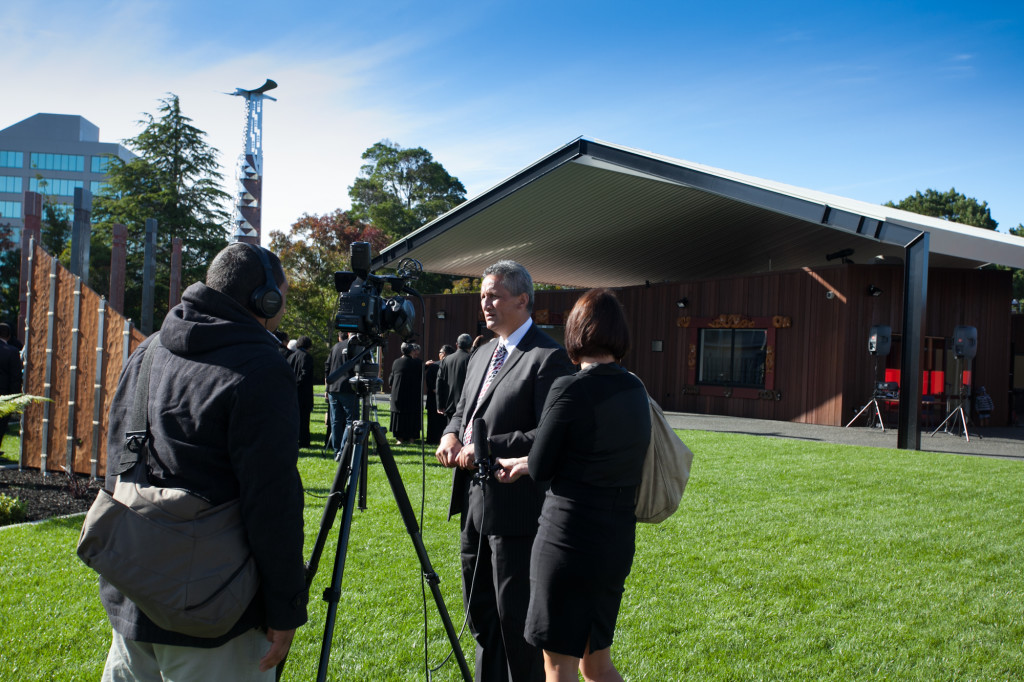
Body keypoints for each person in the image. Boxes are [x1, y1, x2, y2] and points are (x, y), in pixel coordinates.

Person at [98, 243, 308, 680]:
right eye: (282, 296)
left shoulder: (150, 348)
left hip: (135, 590)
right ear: (265, 299)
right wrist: (285, 607)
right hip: (217, 615)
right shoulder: (262, 368)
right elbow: (272, 502)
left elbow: (118, 455)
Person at [494, 288, 650, 682]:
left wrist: (523, 464)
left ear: (576, 331)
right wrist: (527, 462)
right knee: (596, 664)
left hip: (568, 538)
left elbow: (544, 464)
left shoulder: (570, 387)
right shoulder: (635, 389)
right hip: (615, 538)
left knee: (557, 666)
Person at [435, 260, 573, 682]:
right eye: (482, 295)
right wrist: (451, 434)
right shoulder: (481, 353)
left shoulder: (548, 358)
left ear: (522, 299)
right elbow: (462, 410)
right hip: (474, 502)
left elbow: (548, 435)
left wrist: (486, 448)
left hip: (516, 507)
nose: (486, 303)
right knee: (480, 615)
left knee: (514, 619)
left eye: (494, 295)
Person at [325, 332, 362, 452]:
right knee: (351, 420)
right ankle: (344, 449)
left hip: (333, 387)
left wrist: (327, 388)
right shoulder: (356, 347)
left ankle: (337, 450)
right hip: (348, 388)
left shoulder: (336, 347)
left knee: (335, 421)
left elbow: (327, 367)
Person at [389, 342, 423, 444]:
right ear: (412, 351)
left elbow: (392, 377)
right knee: (412, 416)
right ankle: (412, 438)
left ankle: (400, 438)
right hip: (412, 395)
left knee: (400, 417)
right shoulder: (417, 363)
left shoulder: (396, 362)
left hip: (398, 394)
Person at [436, 333, 472, 425]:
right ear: (470, 345)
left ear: (457, 344)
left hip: (450, 403)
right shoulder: (471, 359)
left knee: (451, 430)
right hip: (467, 402)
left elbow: (439, 381)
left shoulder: (446, 360)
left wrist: (440, 404)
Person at [287, 336, 315, 448]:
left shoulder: (291, 357)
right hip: (304, 393)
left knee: (294, 418)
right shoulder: (306, 357)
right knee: (304, 419)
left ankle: (293, 439)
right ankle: (304, 440)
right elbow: (304, 374)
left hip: (293, 392)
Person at [0, 322, 23, 449]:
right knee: (1, 424)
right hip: (4, 393)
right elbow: (15, 377)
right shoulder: (12, 352)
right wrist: (15, 397)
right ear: (8, 336)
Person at [424, 345, 453, 444]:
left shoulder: (434, 366)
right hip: (448, 399)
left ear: (443, 354)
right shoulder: (453, 365)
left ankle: (432, 440)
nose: (439, 354)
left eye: (440, 352)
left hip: (434, 399)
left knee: (433, 423)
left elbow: (429, 381)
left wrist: (435, 390)